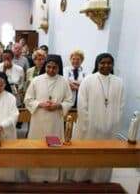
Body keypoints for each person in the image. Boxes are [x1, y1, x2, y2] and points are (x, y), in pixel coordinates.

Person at [73, 53, 124, 183]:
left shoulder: (119, 82)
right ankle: (82, 178)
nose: (106, 65)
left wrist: (114, 123)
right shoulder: (88, 80)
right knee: (87, 154)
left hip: (110, 128)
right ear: (97, 64)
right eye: (102, 63)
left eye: (109, 63)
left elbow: (121, 105)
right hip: (90, 127)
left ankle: (101, 179)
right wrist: (87, 123)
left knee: (105, 155)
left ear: (112, 65)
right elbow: (82, 103)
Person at [24, 55, 73, 182]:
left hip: (55, 121)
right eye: (48, 67)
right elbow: (27, 99)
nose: (51, 70)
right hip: (38, 120)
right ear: (45, 66)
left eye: (54, 67)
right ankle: (35, 175)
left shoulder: (63, 81)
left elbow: (69, 100)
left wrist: (58, 105)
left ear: (59, 68)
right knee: (37, 146)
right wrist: (40, 104)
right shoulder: (36, 80)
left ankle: (52, 176)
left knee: (54, 147)